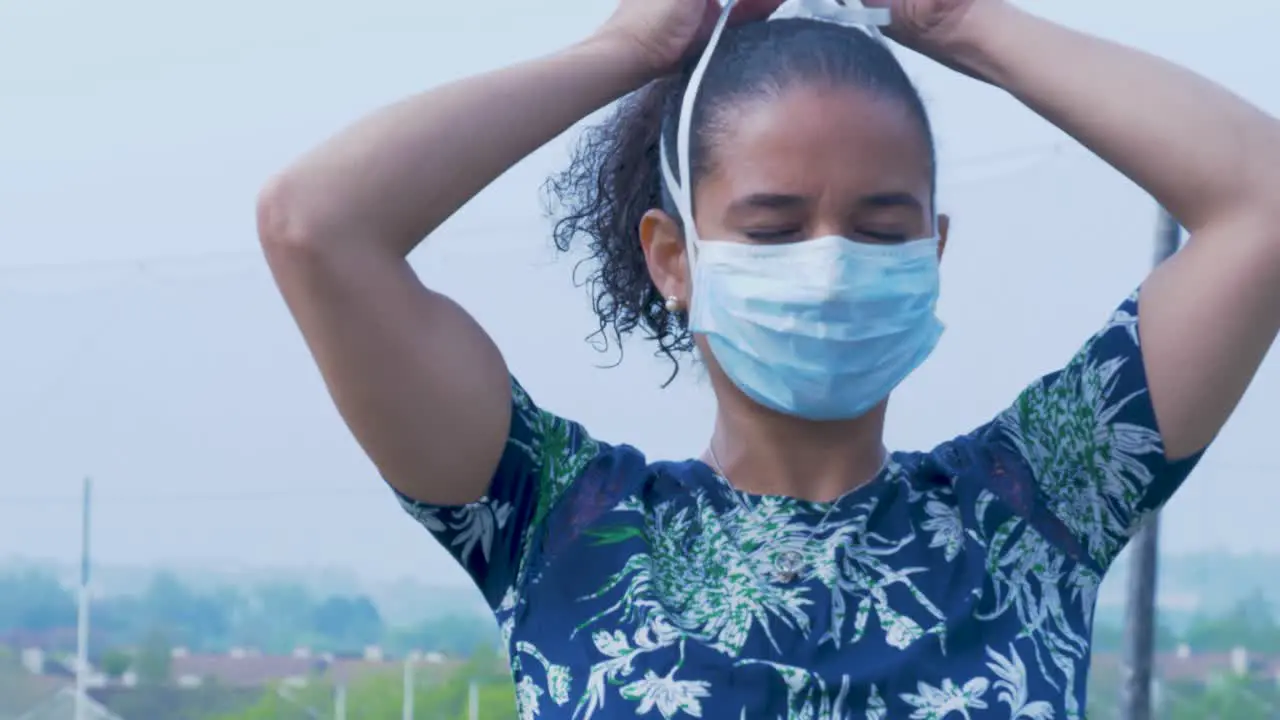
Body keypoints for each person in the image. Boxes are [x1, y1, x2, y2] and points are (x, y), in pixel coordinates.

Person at [255, 0, 1280, 715]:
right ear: (672, 258)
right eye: (773, 228)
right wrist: (627, 46)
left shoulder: (1037, 511)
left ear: (934, 250)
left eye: (880, 226)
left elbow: (1263, 202)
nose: (831, 264)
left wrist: (961, 22)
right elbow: (316, 225)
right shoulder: (553, 524)